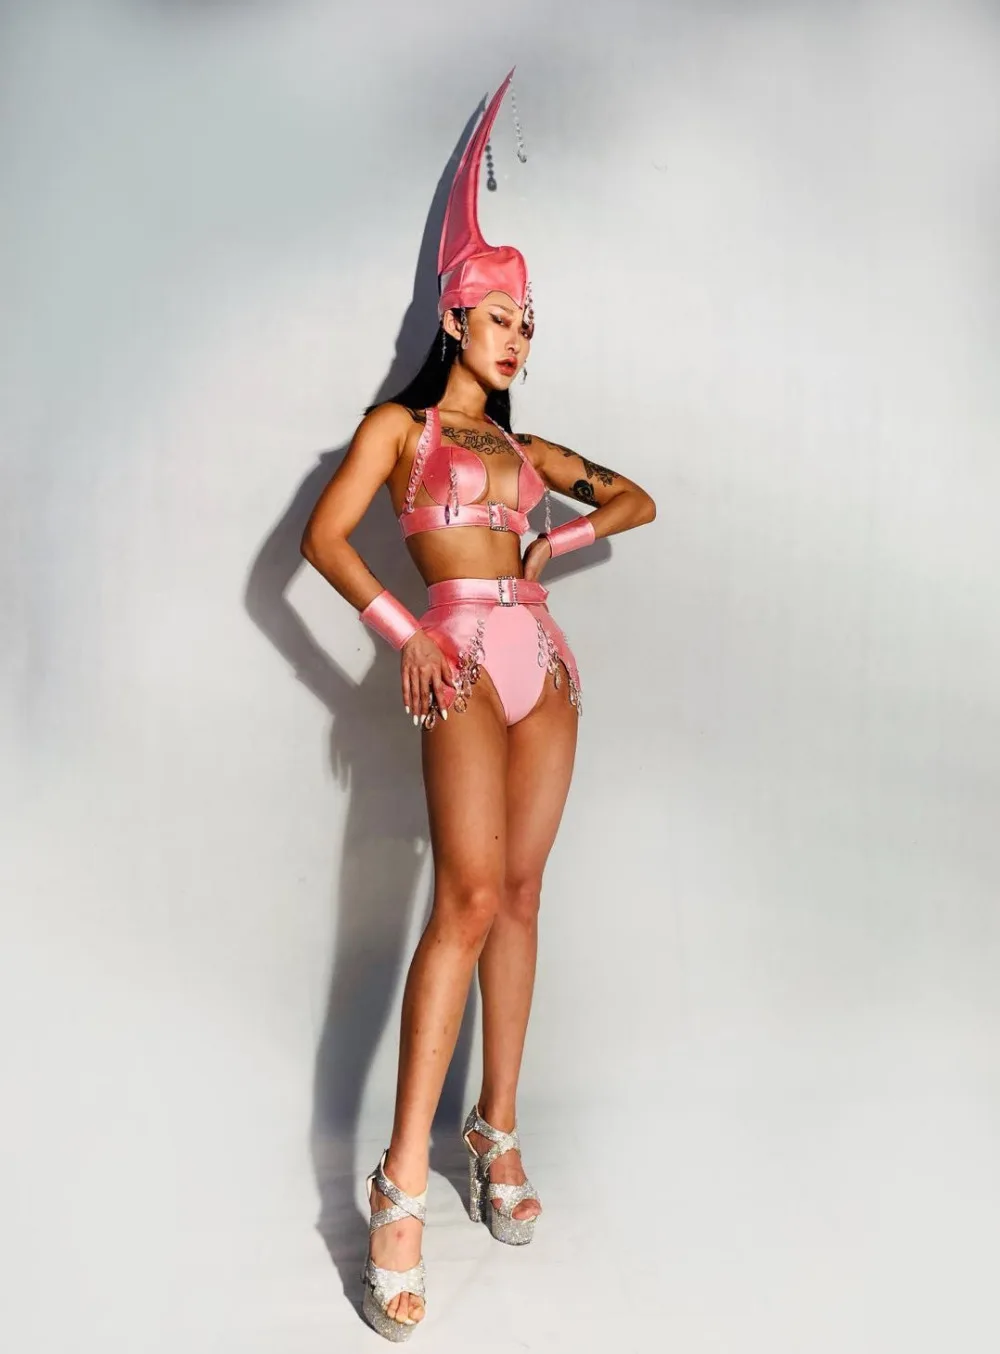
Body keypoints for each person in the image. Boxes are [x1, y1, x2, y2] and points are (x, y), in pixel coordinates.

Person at [300, 69, 656, 1341]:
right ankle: (400, 1184)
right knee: (463, 897)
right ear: (454, 315)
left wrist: (551, 544)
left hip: (542, 666)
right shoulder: (397, 432)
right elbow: (325, 543)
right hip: (453, 656)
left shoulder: (526, 452)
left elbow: (637, 500)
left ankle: (494, 1127)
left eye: (528, 324)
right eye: (500, 316)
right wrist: (401, 631)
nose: (517, 338)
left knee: (520, 897)